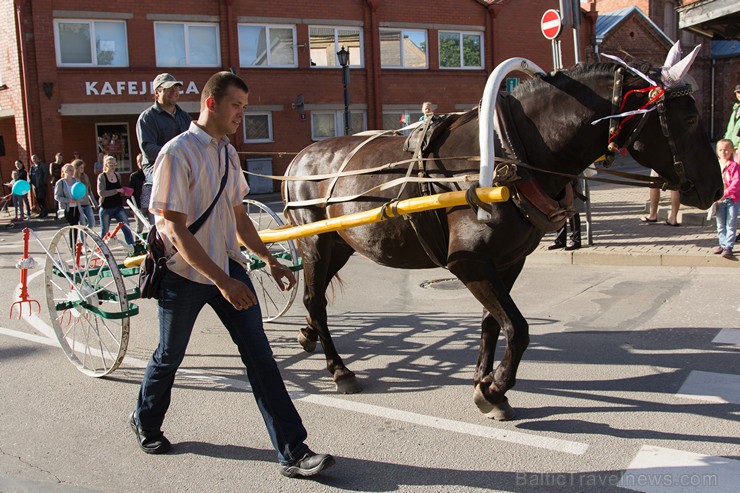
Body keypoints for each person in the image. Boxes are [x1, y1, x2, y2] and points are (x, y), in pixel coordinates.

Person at [131, 71, 334, 478]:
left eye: (245, 106)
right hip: (183, 274)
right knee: (169, 355)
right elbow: (173, 227)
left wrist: (268, 259)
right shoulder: (176, 153)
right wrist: (222, 282)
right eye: (236, 105)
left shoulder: (228, 154)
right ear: (211, 103)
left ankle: (294, 452)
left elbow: (239, 216)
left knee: (261, 359)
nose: (243, 113)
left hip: (228, 269)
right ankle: (146, 421)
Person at [136, 73, 192, 225]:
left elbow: (193, 141)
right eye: (169, 88)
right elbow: (148, 148)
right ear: (157, 93)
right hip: (156, 167)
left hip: (183, 165)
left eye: (176, 88)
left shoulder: (184, 116)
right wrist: (175, 155)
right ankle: (165, 230)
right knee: (172, 184)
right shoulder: (147, 117)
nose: (174, 91)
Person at [96, 155, 134, 248]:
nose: (113, 166)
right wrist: (116, 191)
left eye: (115, 164)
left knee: (126, 227)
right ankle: (103, 250)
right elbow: (101, 193)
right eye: (111, 164)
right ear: (106, 165)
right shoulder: (102, 177)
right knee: (105, 231)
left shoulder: (117, 175)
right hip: (106, 207)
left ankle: (132, 246)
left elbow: (119, 189)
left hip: (118, 206)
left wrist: (123, 192)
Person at [713, 139, 739, 259]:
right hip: (719, 200)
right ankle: (722, 244)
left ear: (732, 150)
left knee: (730, 223)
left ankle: (728, 246)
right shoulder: (716, 165)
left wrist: (725, 193)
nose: (723, 152)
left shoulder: (734, 166)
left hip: (732, 199)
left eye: (726, 149)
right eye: (720, 150)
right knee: (720, 224)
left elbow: (736, 183)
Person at [548, 178, 584, 251]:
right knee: (560, 212)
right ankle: (560, 240)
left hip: (570, 181)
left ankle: (575, 240)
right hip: (559, 182)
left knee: (572, 212)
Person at [54, 163, 81, 247]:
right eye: (70, 170)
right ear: (64, 171)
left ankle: (75, 244)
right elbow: (57, 196)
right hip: (67, 207)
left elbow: (81, 192)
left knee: (76, 225)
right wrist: (68, 200)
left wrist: (79, 198)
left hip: (76, 207)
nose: (72, 172)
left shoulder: (77, 181)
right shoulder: (61, 183)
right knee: (72, 225)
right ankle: (72, 246)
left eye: (73, 170)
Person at [73, 159, 95, 229]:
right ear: (76, 168)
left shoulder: (85, 176)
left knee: (92, 223)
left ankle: (83, 236)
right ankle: (82, 239)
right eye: (81, 168)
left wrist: (94, 202)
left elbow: (89, 191)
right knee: (82, 224)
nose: (82, 169)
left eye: (83, 167)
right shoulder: (73, 179)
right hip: (78, 204)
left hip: (87, 203)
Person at [129, 153, 147, 233]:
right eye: (138, 162)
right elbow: (131, 192)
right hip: (140, 205)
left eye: (141, 161)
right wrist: (132, 207)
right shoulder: (134, 176)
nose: (140, 163)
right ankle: (137, 243)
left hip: (151, 205)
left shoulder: (151, 174)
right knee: (139, 228)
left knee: (154, 226)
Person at [724, 84, 740, 161]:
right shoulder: (736, 108)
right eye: (738, 92)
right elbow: (730, 128)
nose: (739, 95)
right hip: (730, 147)